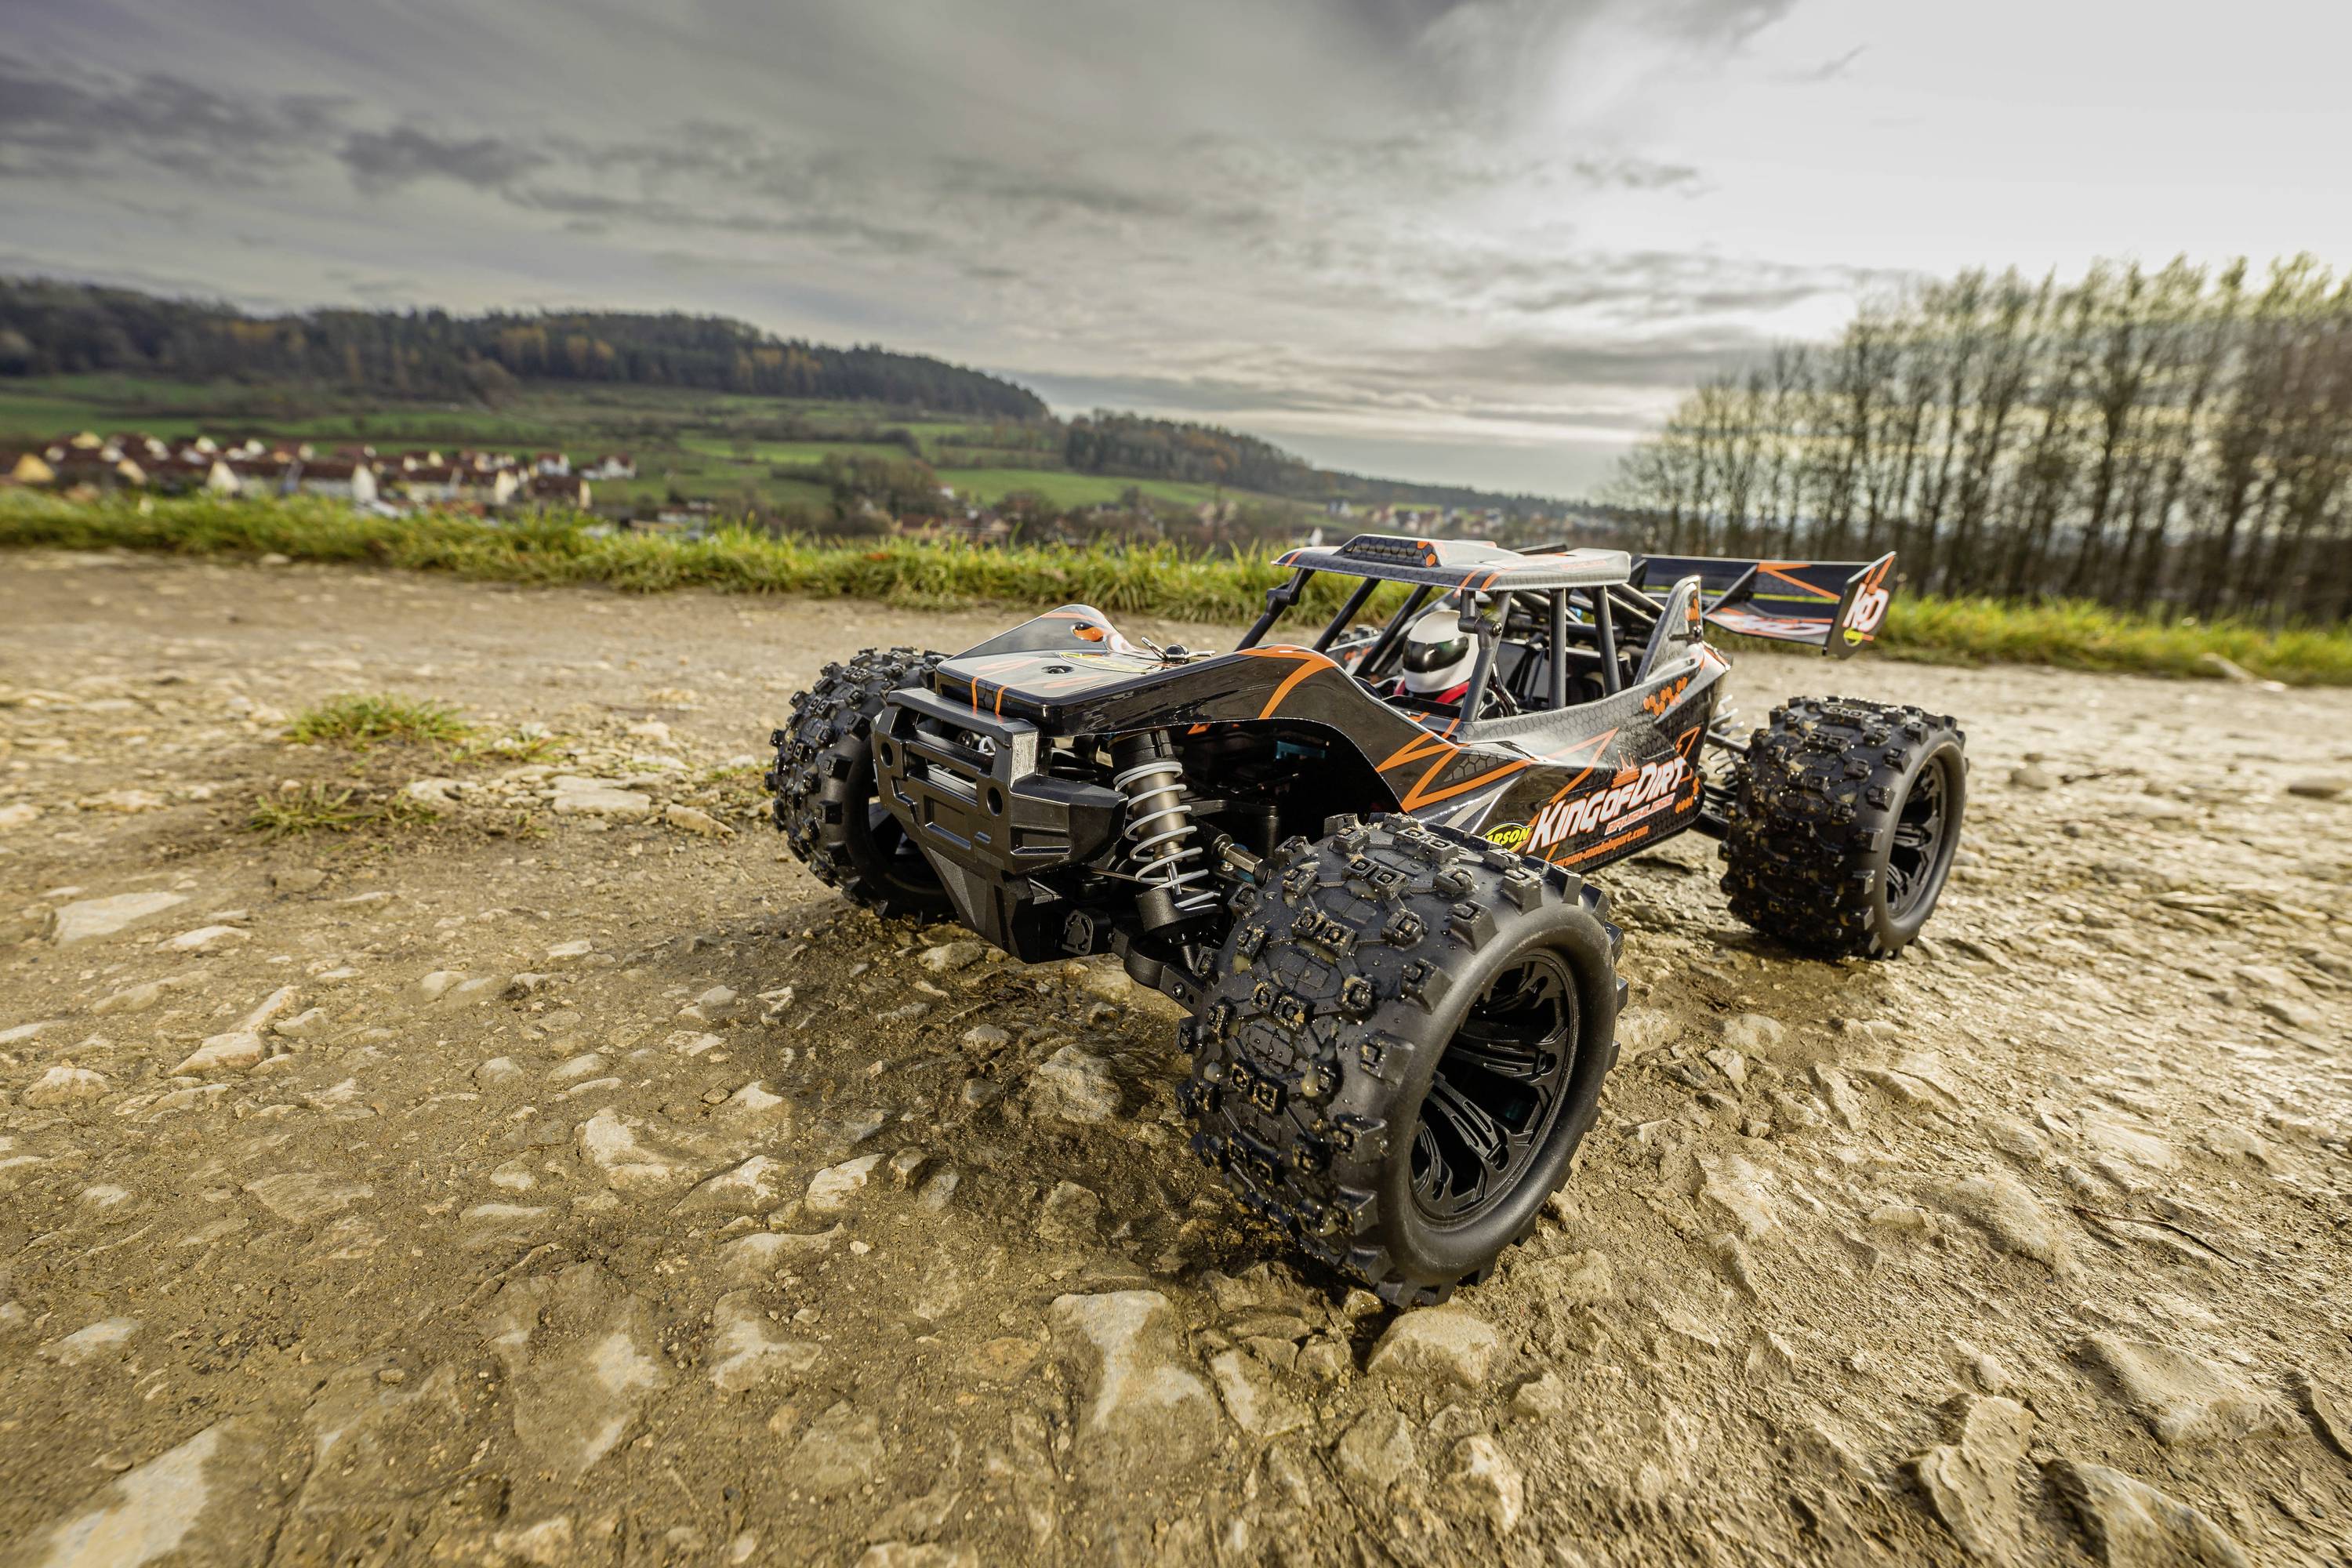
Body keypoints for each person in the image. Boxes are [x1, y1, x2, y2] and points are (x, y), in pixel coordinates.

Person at [1396, 604, 1475, 708]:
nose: (1419, 657)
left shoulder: (1473, 703)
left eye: (1443, 648)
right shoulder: (1396, 687)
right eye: (1415, 648)